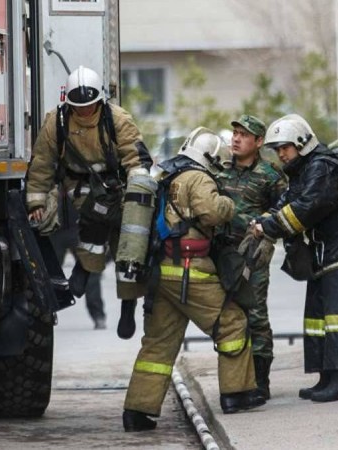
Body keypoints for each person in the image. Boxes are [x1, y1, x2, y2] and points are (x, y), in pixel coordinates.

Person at [123, 128, 264, 432]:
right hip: (191, 270)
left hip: (162, 274)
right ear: (212, 158)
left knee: (158, 345)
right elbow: (212, 213)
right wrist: (228, 204)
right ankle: (236, 395)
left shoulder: (168, 175)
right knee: (232, 323)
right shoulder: (198, 178)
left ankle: (138, 411)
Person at [250, 114, 338, 403]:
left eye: (285, 148)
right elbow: (288, 201)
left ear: (302, 143)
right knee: (319, 317)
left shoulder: (322, 167)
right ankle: (326, 377)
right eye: (277, 149)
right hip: (326, 251)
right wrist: (264, 218)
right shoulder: (304, 167)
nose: (281, 154)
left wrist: (268, 226)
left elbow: (307, 208)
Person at [26, 66, 152, 339]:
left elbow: (136, 156)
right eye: (78, 107)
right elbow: (42, 164)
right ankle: (85, 268)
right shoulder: (56, 123)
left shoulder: (117, 119)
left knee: (128, 248)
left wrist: (138, 192)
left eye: (89, 106)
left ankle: (128, 307)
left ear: (99, 101)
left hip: (120, 187)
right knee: (94, 225)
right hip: (82, 187)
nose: (84, 112)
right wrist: (36, 202)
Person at [216, 114, 287, 400]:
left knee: (255, 314)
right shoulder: (219, 170)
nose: (236, 139)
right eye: (235, 133)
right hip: (223, 253)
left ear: (258, 142)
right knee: (230, 316)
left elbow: (284, 212)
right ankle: (237, 379)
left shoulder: (271, 175)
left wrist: (265, 231)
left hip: (253, 256)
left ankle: (260, 382)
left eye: (244, 135)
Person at [48, 198, 107, 330]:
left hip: (78, 227)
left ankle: (98, 315)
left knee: (90, 272)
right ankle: (45, 314)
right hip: (56, 229)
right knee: (48, 275)